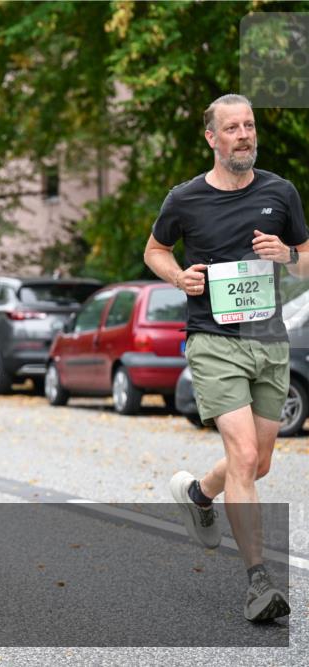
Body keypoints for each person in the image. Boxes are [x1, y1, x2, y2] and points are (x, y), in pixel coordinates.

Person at [144, 94, 308, 622]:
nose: (244, 135)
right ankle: (259, 584)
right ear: (212, 138)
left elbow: (307, 263)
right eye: (232, 128)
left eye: (249, 126)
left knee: (257, 463)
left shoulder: (280, 192)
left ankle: (198, 493)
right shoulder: (185, 199)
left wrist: (288, 256)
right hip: (212, 339)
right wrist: (177, 276)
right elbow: (155, 250)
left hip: (269, 341)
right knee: (241, 456)